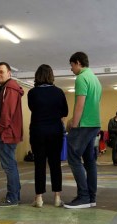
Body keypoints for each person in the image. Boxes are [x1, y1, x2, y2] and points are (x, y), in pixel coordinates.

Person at [63, 51, 102, 209]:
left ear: (78, 62)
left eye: (71, 65)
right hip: (94, 124)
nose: (71, 69)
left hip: (84, 125)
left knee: (73, 158)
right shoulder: (95, 78)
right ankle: (91, 197)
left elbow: (80, 103)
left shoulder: (81, 78)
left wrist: (74, 123)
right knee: (89, 161)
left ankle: (84, 197)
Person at [27, 64, 69, 208]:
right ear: (51, 76)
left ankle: (39, 198)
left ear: (37, 76)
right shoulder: (59, 92)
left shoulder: (32, 93)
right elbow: (65, 112)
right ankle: (57, 197)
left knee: (39, 165)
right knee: (55, 164)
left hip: (38, 131)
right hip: (55, 131)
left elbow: (32, 108)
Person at [0, 62, 24, 207]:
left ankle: (12, 198)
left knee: (9, 166)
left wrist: (0, 128)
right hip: (7, 132)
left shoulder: (9, 88)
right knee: (11, 165)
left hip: (6, 133)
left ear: (9, 73)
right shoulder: (6, 88)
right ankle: (15, 195)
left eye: (1, 72)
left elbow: (7, 112)